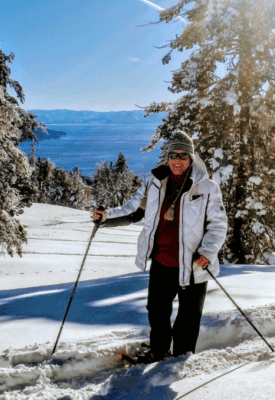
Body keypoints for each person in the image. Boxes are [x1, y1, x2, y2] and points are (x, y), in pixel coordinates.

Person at [92, 130, 228, 363]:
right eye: (173, 155)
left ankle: (180, 359)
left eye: (183, 156)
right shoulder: (155, 182)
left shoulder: (207, 188)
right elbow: (134, 210)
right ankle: (158, 351)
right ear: (168, 157)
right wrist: (106, 217)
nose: (177, 160)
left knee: (188, 317)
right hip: (162, 261)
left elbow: (218, 224)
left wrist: (207, 252)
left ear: (191, 158)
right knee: (156, 311)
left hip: (194, 263)